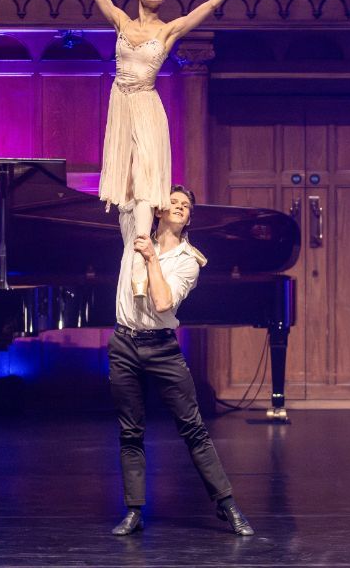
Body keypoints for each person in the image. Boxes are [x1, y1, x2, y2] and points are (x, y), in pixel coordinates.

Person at [50, 0, 259, 298]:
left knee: (148, 183)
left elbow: (211, 4)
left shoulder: (169, 29)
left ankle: (142, 267)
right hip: (120, 103)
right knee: (127, 191)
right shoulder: (120, 21)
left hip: (146, 105)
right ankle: (132, 259)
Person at [105, 185, 255, 536]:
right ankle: (134, 511)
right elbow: (132, 184)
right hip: (124, 344)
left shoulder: (189, 260)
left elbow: (162, 303)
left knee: (193, 429)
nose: (179, 207)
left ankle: (227, 505)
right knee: (130, 431)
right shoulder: (135, 231)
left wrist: (151, 259)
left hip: (162, 348)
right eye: (173, 202)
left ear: (189, 218)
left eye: (186, 205)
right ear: (158, 210)